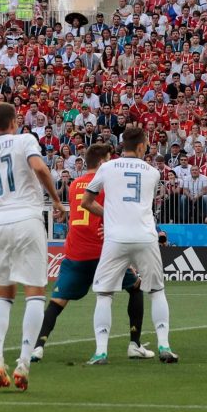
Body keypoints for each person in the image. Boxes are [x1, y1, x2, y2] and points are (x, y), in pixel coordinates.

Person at [0, 103, 66, 391]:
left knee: (3, 297)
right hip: (28, 219)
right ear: (14, 121)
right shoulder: (24, 140)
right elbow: (40, 168)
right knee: (34, 293)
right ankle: (23, 362)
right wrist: (55, 200)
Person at [30, 143, 154, 362]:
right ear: (103, 163)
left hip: (75, 252)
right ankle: (134, 344)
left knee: (58, 301)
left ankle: (38, 346)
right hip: (102, 250)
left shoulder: (75, 185)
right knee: (135, 288)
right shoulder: (107, 185)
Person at [81, 126, 178, 364]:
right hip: (145, 237)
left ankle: (101, 351)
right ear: (142, 145)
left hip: (116, 238)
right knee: (157, 292)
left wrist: (108, 216)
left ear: (122, 145)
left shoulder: (107, 167)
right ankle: (164, 346)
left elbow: (86, 201)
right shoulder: (152, 172)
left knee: (104, 294)